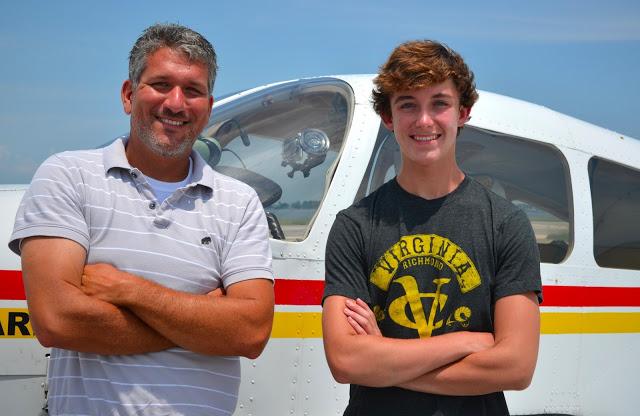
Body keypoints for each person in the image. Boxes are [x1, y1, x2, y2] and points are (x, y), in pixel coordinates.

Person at [9, 23, 274, 416]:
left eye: (194, 90)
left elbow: (251, 332)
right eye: (161, 84)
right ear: (129, 95)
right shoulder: (67, 175)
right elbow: (56, 320)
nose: (176, 103)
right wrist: (202, 323)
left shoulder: (240, 202)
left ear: (208, 107)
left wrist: (132, 291)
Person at [322, 40, 542, 416]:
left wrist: (384, 364)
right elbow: (345, 361)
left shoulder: (506, 224)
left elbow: (516, 366)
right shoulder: (354, 226)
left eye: (439, 103)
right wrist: (465, 341)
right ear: (388, 118)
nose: (424, 121)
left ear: (463, 112)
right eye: (408, 104)